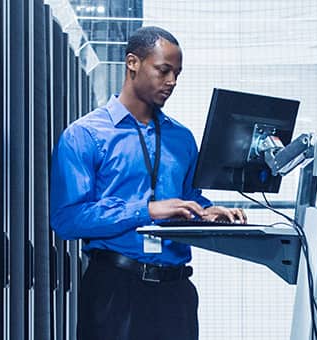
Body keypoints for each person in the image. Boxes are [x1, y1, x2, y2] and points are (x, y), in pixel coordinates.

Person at [49, 26, 246, 340]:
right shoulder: (85, 135)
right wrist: (147, 210)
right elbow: (67, 220)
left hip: (176, 294)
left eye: (177, 74)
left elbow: (188, 197)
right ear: (132, 63)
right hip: (115, 292)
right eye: (164, 71)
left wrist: (207, 212)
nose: (172, 82)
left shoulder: (181, 138)